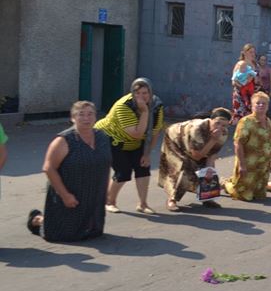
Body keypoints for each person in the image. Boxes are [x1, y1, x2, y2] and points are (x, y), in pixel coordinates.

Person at [27, 101, 111, 241]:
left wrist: (106, 190)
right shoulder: (64, 140)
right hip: (69, 191)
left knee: (93, 232)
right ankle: (37, 219)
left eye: (90, 114)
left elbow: (105, 165)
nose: (86, 118)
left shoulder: (102, 137)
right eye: (81, 114)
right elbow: (48, 168)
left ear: (95, 117)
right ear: (73, 118)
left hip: (94, 192)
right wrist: (65, 195)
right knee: (61, 235)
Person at [96, 77, 164, 215]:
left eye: (145, 93)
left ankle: (143, 204)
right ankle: (110, 202)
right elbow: (137, 134)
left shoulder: (157, 105)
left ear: (151, 93)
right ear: (132, 93)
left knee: (143, 167)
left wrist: (147, 154)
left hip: (135, 140)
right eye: (137, 93)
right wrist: (145, 112)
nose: (141, 97)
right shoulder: (124, 106)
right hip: (111, 137)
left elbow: (155, 132)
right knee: (123, 171)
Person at [157, 107, 231, 211]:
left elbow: (211, 156)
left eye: (223, 125)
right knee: (183, 166)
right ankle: (172, 199)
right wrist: (213, 140)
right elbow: (197, 156)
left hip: (198, 147)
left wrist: (208, 175)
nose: (219, 127)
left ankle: (207, 198)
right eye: (217, 123)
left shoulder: (223, 133)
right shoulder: (197, 129)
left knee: (207, 170)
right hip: (176, 140)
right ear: (211, 120)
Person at [224, 91, 271, 201]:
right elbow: (238, 143)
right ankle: (225, 184)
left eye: (264, 103)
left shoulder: (269, 122)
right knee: (243, 195)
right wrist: (242, 165)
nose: (261, 105)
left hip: (263, 166)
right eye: (258, 103)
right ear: (251, 106)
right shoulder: (246, 122)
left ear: (267, 106)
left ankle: (232, 182)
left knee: (259, 196)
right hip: (248, 165)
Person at [231, 43, 258, 122]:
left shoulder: (255, 64)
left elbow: (256, 80)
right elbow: (234, 80)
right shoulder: (240, 64)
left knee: (250, 117)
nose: (253, 54)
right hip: (240, 94)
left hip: (251, 93)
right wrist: (244, 83)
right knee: (240, 116)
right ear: (244, 53)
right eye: (250, 52)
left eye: (254, 52)